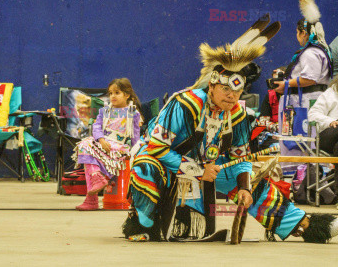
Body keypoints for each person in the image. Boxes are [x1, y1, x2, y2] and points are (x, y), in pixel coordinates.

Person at [122, 16, 338, 243]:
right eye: (225, 89)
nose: (231, 96)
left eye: (236, 92)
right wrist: (195, 169)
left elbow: (240, 157)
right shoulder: (185, 104)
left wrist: (244, 186)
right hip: (164, 161)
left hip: (206, 165)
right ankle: (144, 224)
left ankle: (307, 226)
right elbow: (156, 147)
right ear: (212, 86)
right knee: (145, 166)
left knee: (252, 184)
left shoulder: (236, 114)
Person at [274, 0, 332, 174]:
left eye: (297, 32)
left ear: (304, 33)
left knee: (301, 138)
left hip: (303, 104)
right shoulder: (319, 50)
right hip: (307, 101)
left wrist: (286, 84)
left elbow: (310, 78)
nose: (296, 36)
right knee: (305, 138)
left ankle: (302, 177)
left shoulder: (311, 53)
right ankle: (305, 177)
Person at [74, 78, 141, 211]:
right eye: (110, 93)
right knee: (84, 145)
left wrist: (135, 154)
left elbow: (135, 135)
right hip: (103, 144)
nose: (112, 96)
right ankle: (96, 179)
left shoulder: (133, 113)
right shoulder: (104, 111)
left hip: (118, 148)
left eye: (117, 93)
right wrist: (101, 140)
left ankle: (91, 199)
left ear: (127, 95)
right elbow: (97, 127)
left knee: (89, 156)